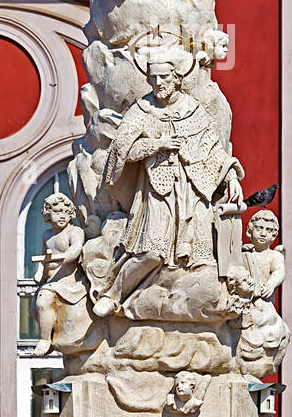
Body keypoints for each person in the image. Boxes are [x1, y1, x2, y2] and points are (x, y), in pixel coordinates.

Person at [92, 46, 243, 317]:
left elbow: (212, 148)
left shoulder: (193, 110)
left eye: (163, 77)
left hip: (192, 191)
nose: (158, 83)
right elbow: (122, 150)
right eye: (153, 78)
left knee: (198, 261)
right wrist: (157, 144)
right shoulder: (142, 110)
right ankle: (111, 294)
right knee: (152, 253)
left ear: (177, 78)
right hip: (157, 191)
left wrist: (231, 176)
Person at [30, 193, 88, 357]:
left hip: (68, 281)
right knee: (36, 305)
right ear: (48, 214)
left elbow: (76, 249)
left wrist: (67, 256)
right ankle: (47, 335)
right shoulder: (47, 236)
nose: (62, 216)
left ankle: (45, 339)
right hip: (51, 281)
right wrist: (40, 272)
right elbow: (44, 260)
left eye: (65, 211)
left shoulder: (74, 231)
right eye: (57, 212)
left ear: (70, 213)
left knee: (43, 300)